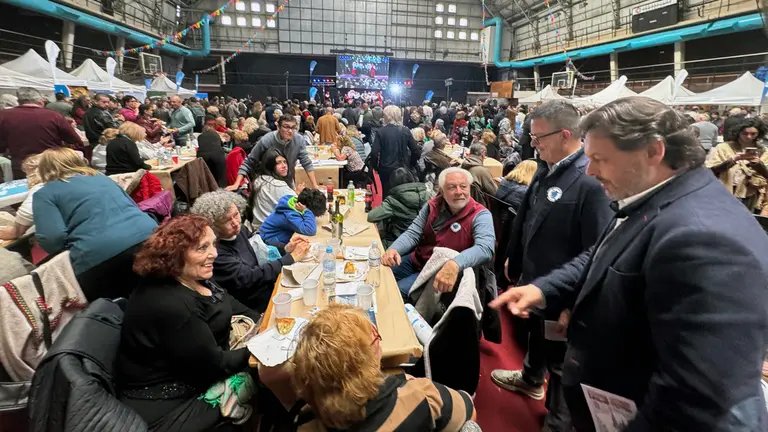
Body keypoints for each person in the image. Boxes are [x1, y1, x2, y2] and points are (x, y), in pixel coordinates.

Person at [490, 96, 768, 431]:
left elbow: (694, 400)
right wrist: (545, 289)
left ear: (653, 151)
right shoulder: (652, 195)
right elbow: (604, 253)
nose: (590, 171)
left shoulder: (706, 239)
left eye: (600, 159)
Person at [492, 100, 613, 432]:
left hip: (562, 292)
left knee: (561, 364)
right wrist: (514, 257)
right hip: (535, 280)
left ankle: (558, 423)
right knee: (537, 335)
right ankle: (531, 377)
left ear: (564, 135)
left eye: (538, 137)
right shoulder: (546, 166)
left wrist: (574, 303)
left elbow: (597, 250)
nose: (533, 143)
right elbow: (528, 217)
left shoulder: (590, 180)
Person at [118, 215, 261, 430]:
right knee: (268, 375)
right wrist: (261, 345)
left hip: (198, 367)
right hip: (170, 403)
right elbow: (216, 365)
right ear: (175, 254)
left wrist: (262, 321)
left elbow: (227, 301)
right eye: (202, 248)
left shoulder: (190, 275)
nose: (214, 253)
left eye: (213, 244)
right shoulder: (173, 305)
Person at [293, 303, 477, 431]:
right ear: (371, 357)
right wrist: (410, 384)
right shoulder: (420, 395)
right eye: (373, 337)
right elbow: (469, 412)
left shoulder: (305, 423)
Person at [33, 147, 156, 300]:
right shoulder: (101, 178)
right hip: (148, 235)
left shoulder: (45, 193)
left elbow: (51, 238)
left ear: (43, 169)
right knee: (159, 290)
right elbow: (132, 205)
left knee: (106, 306)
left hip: (98, 254)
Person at [190, 191, 310, 312]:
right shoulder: (216, 253)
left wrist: (286, 248)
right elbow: (249, 276)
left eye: (236, 215)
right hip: (255, 306)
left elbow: (260, 246)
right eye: (226, 220)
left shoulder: (240, 230)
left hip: (269, 288)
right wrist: (290, 258)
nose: (235, 223)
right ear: (212, 225)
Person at [383, 167, 495, 295]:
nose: (459, 192)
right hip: (418, 259)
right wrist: (394, 249)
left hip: (439, 271)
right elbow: (413, 233)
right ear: (442, 191)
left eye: (463, 186)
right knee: (381, 274)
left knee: (394, 292)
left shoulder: (480, 215)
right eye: (452, 187)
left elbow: (485, 248)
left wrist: (455, 263)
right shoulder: (432, 205)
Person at [0, 87, 83, 179]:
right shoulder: (54, 116)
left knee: (27, 187)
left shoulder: (3, 116)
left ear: (19, 101)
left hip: (22, 165)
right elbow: (74, 140)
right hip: (51, 164)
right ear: (41, 101)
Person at [227, 114, 319, 191]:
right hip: (267, 184)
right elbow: (249, 162)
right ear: (278, 127)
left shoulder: (299, 140)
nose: (290, 131)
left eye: (293, 128)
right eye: (286, 127)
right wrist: (236, 184)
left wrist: (315, 185)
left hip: (287, 181)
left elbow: (306, 162)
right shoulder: (266, 140)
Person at [706, 117, 768, 214]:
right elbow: (712, 170)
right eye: (745, 133)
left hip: (751, 194)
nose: (749, 137)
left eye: (753, 134)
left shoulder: (763, 151)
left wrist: (757, 164)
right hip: (726, 192)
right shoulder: (724, 147)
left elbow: (766, 174)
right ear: (738, 132)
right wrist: (733, 160)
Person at [367, 167, 429, 248]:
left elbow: (371, 216)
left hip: (397, 241)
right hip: (422, 242)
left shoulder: (393, 200)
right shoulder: (426, 195)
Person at [370, 105, 421, 196]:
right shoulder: (405, 130)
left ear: (386, 116)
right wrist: (411, 163)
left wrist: (376, 167)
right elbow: (416, 151)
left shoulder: (381, 131)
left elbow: (374, 153)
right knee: (403, 195)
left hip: (385, 169)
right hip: (403, 168)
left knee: (387, 195)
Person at [259, 188, 327, 244]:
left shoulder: (293, 203)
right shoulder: (290, 214)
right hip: (268, 243)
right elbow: (310, 230)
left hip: (273, 237)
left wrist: (306, 212)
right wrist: (306, 211)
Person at [0, 155, 43, 241]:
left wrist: (14, 231)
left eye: (27, 174)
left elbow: (26, 213)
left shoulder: (41, 187)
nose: (27, 177)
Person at [83, 93, 118, 160]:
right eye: (104, 102)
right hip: (103, 141)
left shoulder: (88, 112)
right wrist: (120, 121)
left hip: (93, 141)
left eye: (108, 102)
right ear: (96, 101)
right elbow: (112, 127)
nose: (107, 104)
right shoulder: (101, 113)